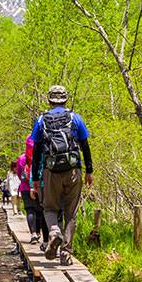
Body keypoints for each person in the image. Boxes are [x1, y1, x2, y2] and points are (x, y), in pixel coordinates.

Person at [30, 85, 93, 266]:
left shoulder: (41, 120)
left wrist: (35, 178)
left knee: (49, 208)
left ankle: (53, 232)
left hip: (50, 171)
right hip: (73, 169)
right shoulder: (75, 118)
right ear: (66, 100)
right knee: (70, 212)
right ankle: (66, 252)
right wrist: (89, 171)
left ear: (49, 100)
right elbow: (85, 146)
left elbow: (36, 152)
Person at [17, 139, 39, 243]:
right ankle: (39, 233)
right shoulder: (40, 155)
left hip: (25, 188)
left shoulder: (21, 158)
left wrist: (24, 181)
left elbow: (18, 173)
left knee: (30, 210)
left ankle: (33, 233)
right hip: (39, 186)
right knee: (40, 210)